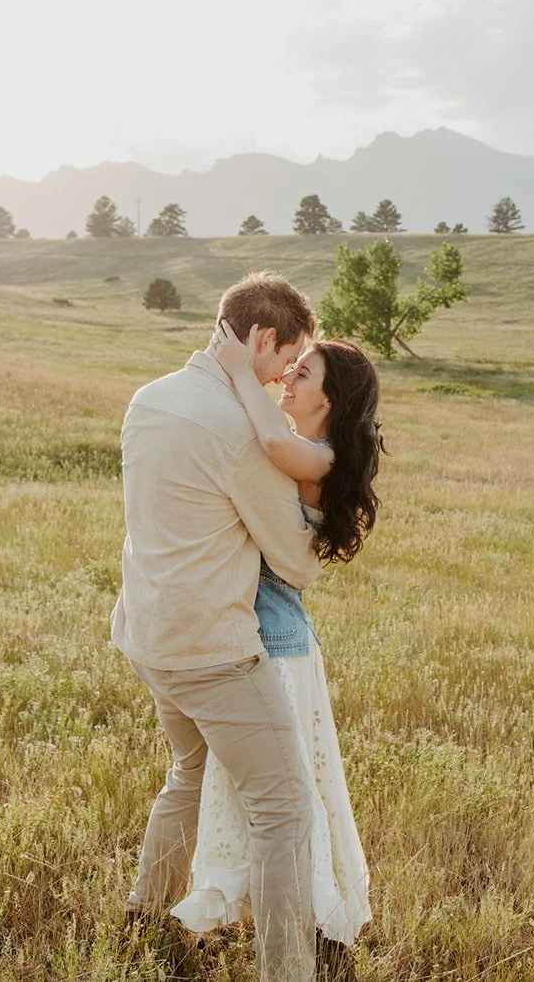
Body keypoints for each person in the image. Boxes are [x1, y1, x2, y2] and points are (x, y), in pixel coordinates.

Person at [112, 273, 323, 982]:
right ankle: (286, 971)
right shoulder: (237, 429)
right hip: (212, 651)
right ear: (261, 337)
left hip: (147, 634)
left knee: (189, 769)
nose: (280, 379)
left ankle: (143, 911)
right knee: (286, 808)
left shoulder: (148, 399)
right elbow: (294, 559)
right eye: (282, 361)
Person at [171, 323, 384, 975]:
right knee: (266, 791)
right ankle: (263, 913)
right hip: (262, 637)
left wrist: (239, 366)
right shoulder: (306, 445)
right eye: (290, 370)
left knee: (287, 797)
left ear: (331, 400)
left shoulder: (317, 457)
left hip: (279, 649)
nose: (287, 380)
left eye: (303, 375)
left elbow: (264, 436)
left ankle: (313, 927)